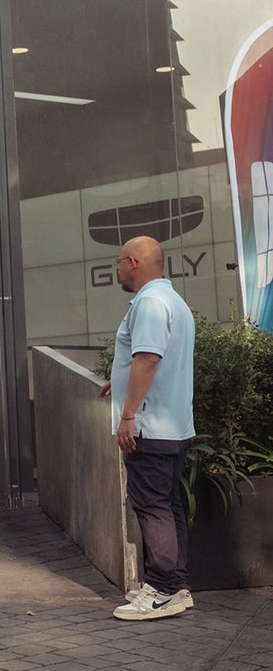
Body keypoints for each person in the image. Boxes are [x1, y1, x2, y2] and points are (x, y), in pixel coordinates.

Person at [100, 235, 196, 621]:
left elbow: (147, 359)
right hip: (172, 425)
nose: (118, 269)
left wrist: (127, 415)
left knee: (151, 505)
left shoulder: (151, 303)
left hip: (150, 427)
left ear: (134, 263)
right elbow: (150, 359)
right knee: (168, 506)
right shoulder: (173, 301)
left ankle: (162, 590)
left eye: (120, 261)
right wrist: (118, 382)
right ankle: (177, 585)